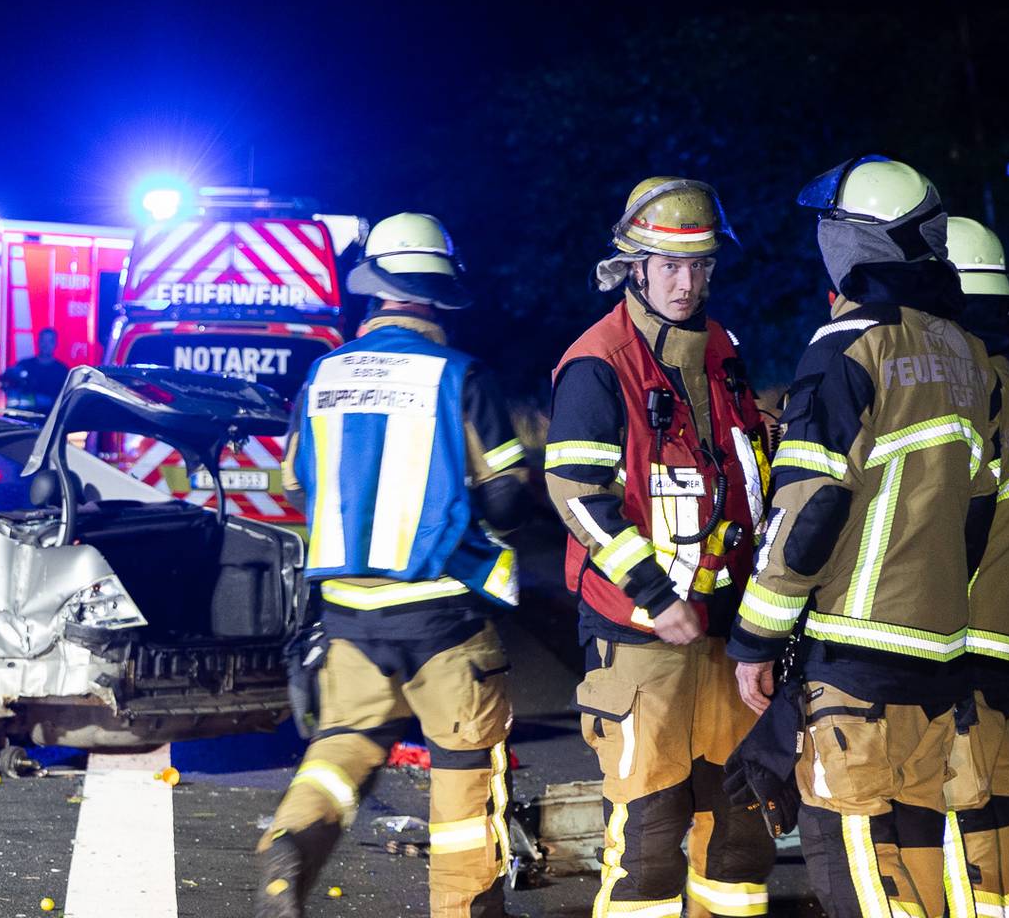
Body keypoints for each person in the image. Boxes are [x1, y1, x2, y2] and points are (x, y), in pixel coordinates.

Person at [727, 158, 1009, 918]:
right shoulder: (964, 355)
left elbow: (809, 511)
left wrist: (756, 640)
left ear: (857, 244)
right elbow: (977, 512)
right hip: (938, 658)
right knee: (918, 864)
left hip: (855, 661)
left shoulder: (848, 348)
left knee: (854, 867)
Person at [256, 213, 531, 918]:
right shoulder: (462, 375)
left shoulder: (321, 375)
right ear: (440, 296)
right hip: (443, 613)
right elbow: (505, 500)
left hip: (350, 610)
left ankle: (292, 841)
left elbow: (289, 483)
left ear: (375, 292)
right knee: (466, 769)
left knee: (344, 743)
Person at [546, 178, 775, 918]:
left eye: (700, 266)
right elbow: (576, 494)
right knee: (651, 834)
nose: (686, 283)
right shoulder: (597, 364)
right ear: (634, 266)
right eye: (669, 266)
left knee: (741, 829)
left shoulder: (723, 353)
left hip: (726, 630)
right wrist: (655, 594)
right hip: (641, 636)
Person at [943, 217, 1009, 918]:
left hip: (958, 657)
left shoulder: (978, 390)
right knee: (990, 823)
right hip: (994, 654)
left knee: (963, 827)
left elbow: (951, 531)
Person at [0, 327, 74, 412]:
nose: (46, 344)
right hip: (25, 418)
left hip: (50, 420)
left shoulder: (62, 371)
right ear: (37, 342)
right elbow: (12, 396)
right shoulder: (24, 365)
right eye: (43, 340)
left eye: (50, 341)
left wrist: (48, 402)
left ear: (55, 344)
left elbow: (66, 400)